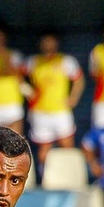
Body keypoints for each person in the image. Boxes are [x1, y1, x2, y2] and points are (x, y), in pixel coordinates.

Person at [25, 32, 85, 171]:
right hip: (40, 111)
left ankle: (68, 174)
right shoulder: (33, 62)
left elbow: (79, 80)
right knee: (44, 147)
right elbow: (17, 75)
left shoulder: (66, 61)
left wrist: (73, 98)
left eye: (50, 42)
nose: (48, 45)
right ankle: (44, 176)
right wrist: (27, 91)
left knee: (66, 144)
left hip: (61, 110)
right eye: (45, 42)